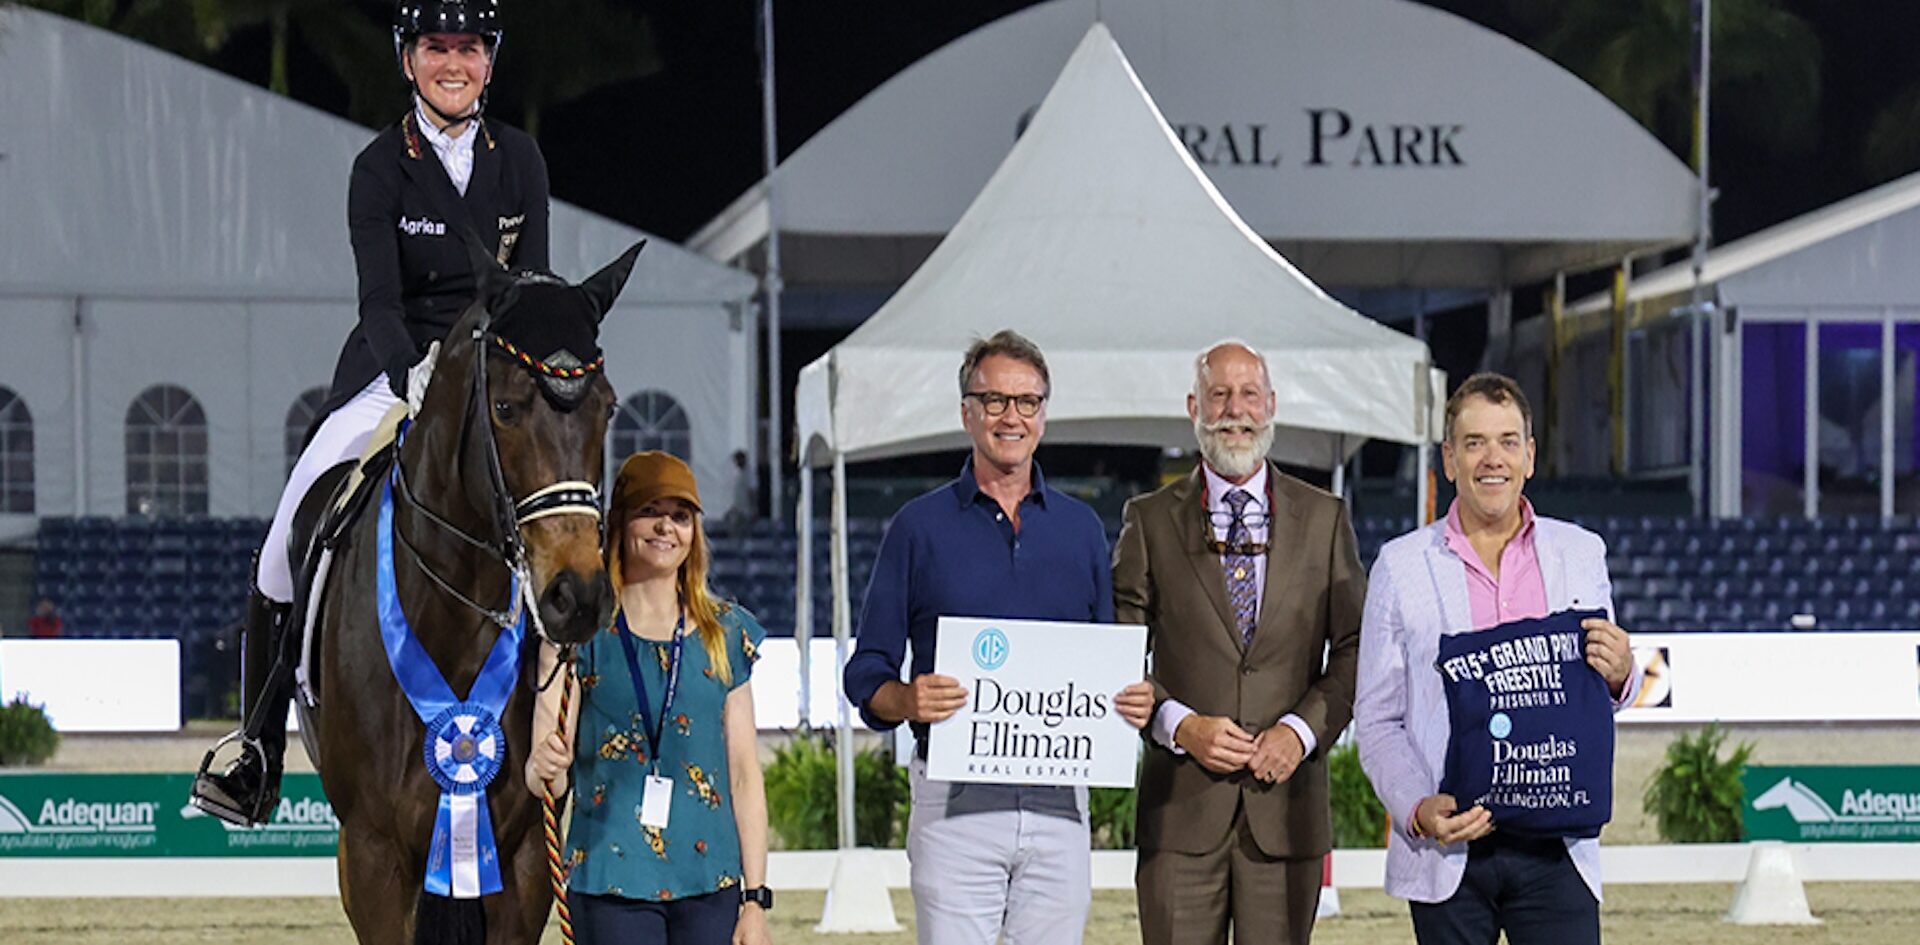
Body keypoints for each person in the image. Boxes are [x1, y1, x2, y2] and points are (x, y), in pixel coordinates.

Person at [193, 0, 551, 825]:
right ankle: (256, 749)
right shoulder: (380, 165)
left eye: (469, 47)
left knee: (561, 507)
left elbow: (530, 286)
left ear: (489, 61)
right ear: (408, 59)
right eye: (437, 47)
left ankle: (577, 725)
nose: (453, 63)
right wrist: (416, 372)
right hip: (397, 373)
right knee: (280, 546)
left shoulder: (520, 160)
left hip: (493, 376)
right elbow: (380, 302)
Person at [842, 329, 1154, 945]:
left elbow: (1106, 660)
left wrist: (1131, 697)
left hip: (1061, 801)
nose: (1011, 416)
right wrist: (906, 699)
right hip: (955, 802)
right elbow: (866, 670)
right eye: (994, 400)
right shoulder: (917, 527)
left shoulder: (1081, 530)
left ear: (1044, 415)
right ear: (967, 412)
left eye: (1027, 401)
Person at [1354, 373, 1643, 945]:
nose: (1493, 459)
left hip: (1557, 853)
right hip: (1449, 853)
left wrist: (1621, 675)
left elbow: (1605, 693)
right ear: (1449, 459)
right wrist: (1416, 808)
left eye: (1508, 441)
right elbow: (1377, 719)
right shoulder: (1400, 566)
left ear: (1530, 456)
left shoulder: (1581, 554)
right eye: (1475, 443)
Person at [1112, 341, 1365, 945]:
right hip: (1179, 818)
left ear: (1271, 405)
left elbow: (1357, 648)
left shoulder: (1326, 518)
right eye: (1219, 395)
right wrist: (1180, 725)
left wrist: (1298, 733)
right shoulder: (1148, 520)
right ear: (1194, 407)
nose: (1235, 410)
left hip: (1287, 818)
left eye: (1249, 394)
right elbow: (1117, 657)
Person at [526, 451, 772, 945]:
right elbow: (544, 778)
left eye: (680, 516)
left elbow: (744, 774)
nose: (666, 527)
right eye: (649, 511)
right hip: (610, 882)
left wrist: (755, 899)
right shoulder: (577, 635)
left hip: (711, 884)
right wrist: (544, 765)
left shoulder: (726, 633)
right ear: (619, 522)